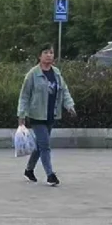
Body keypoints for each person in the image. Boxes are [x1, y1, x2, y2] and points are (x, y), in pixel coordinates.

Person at [17, 44, 75, 186]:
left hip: (51, 114)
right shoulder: (32, 74)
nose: (49, 55)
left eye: (51, 52)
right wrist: (21, 114)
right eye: (45, 52)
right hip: (37, 115)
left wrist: (69, 105)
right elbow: (24, 96)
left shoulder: (56, 73)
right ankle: (50, 175)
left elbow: (64, 90)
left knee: (40, 145)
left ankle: (29, 170)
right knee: (45, 145)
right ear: (39, 56)